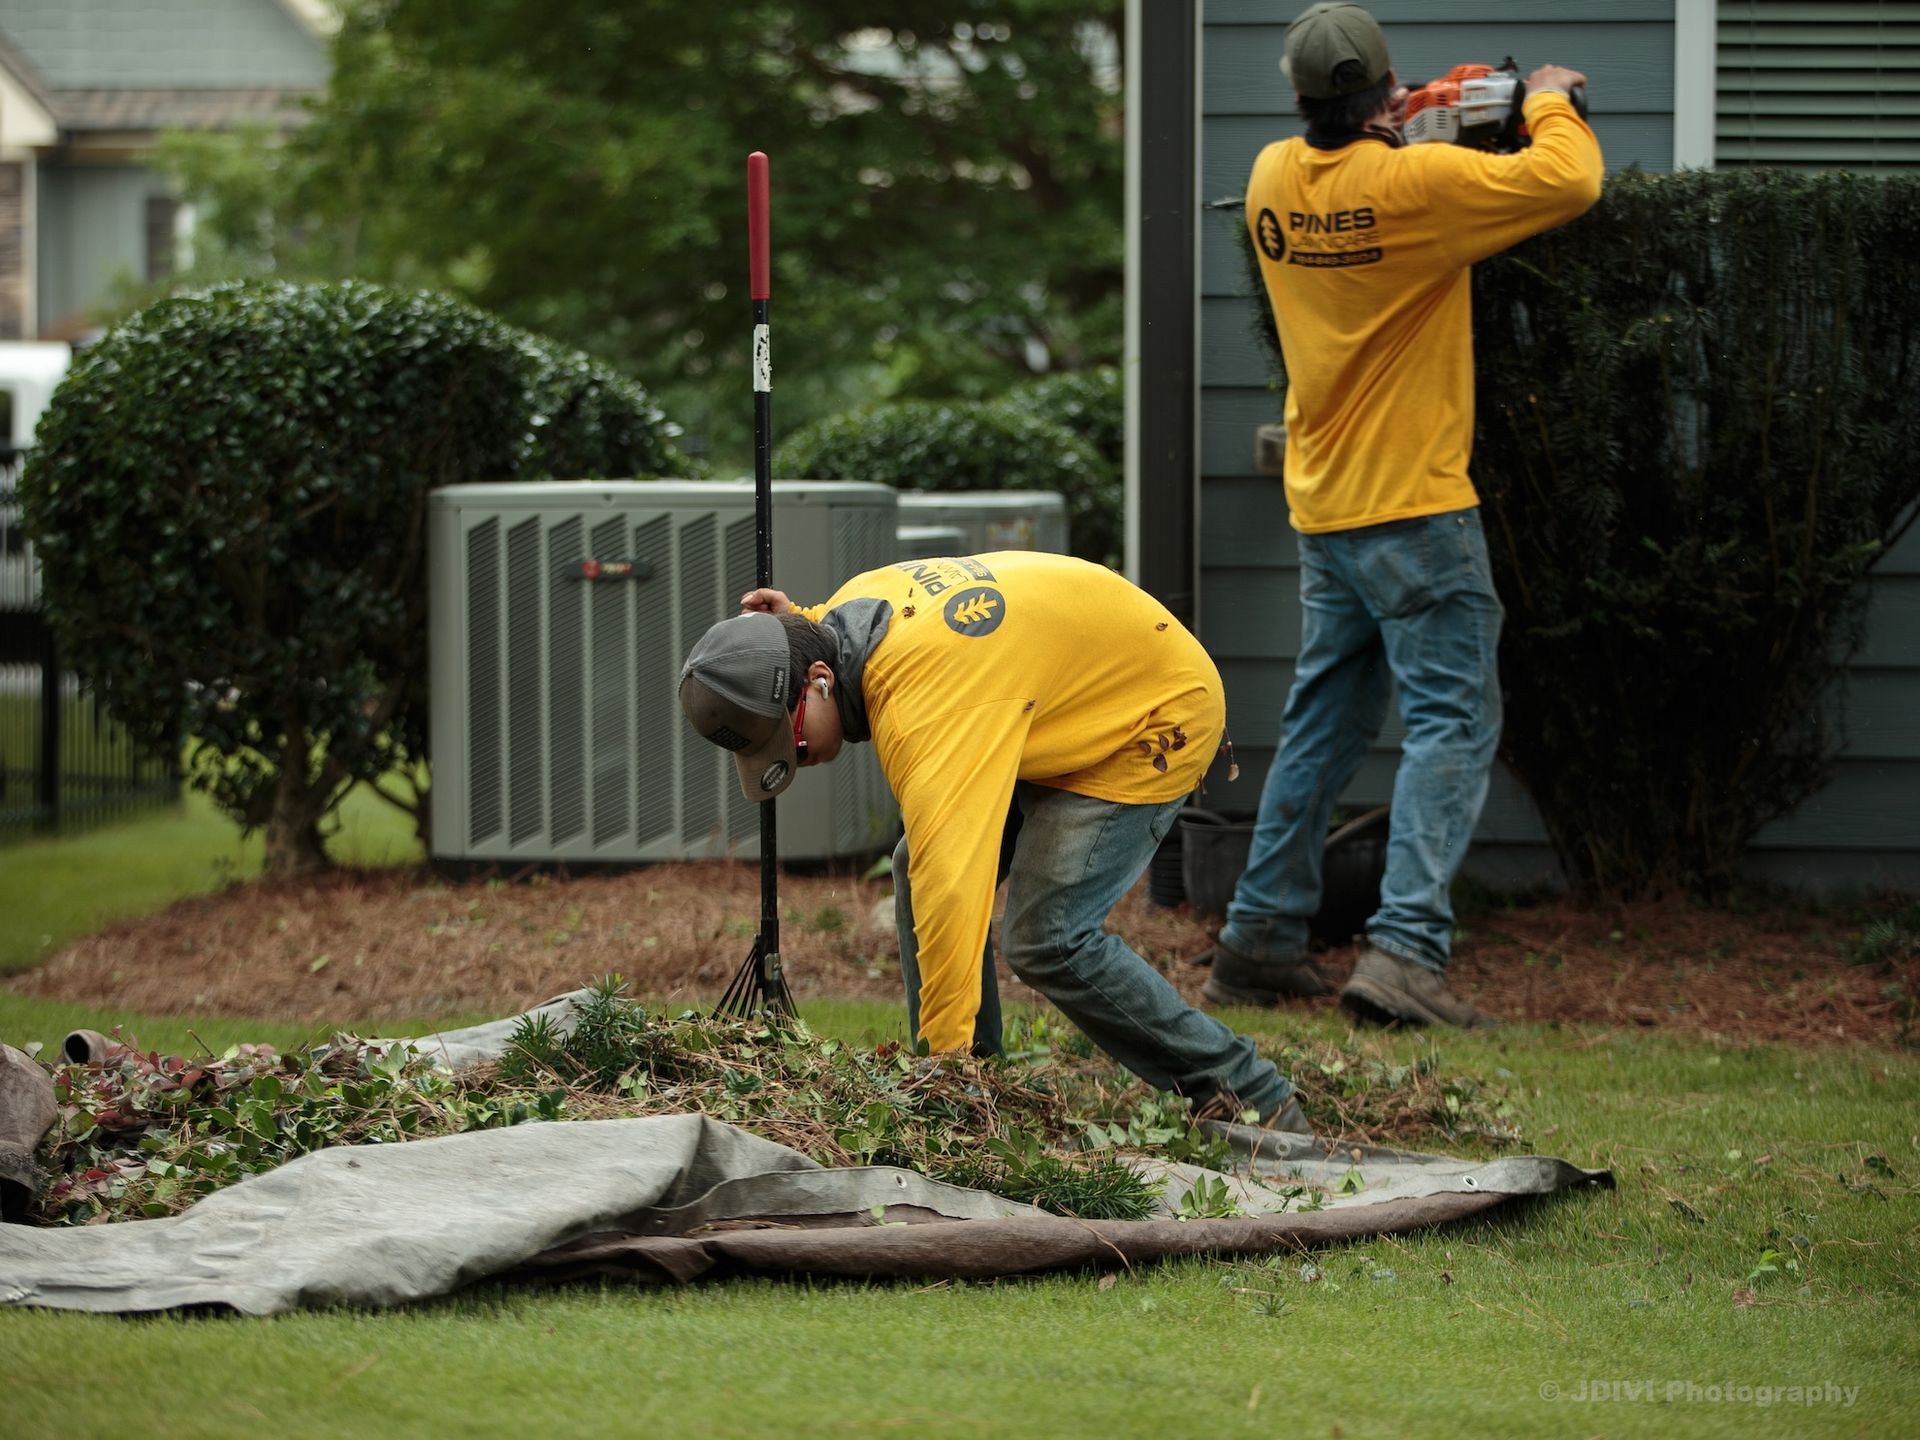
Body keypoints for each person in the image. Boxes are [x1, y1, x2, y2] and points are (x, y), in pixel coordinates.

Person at [1199, 3, 1603, 1028]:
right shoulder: (1419, 185)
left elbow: (1350, 169)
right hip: (1418, 510)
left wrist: (1409, 117)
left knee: (1321, 728)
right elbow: (1572, 179)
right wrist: (1545, 101)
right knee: (1454, 724)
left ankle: (1257, 940)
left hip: (1326, 507)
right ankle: (1406, 954)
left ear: (1298, 98)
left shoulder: (1268, 179)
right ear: (1382, 94)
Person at [679, 550, 1309, 1131]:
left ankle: (1251, 1095)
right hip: (1052, 697)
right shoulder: (850, 614)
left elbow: (953, 885)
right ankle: (981, 1082)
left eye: (787, 742)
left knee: (1047, 938)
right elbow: (824, 631)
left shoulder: (926, 709)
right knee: (912, 864)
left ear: (818, 681)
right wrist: (790, 624)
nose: (799, 759)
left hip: (1150, 713)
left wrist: (939, 1069)